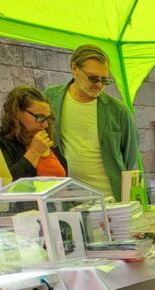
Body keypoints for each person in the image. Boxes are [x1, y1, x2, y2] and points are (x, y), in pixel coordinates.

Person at [44, 45, 139, 199]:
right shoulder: (51, 98)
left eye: (105, 80)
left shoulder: (118, 110)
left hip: (110, 198)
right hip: (68, 198)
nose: (99, 85)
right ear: (74, 68)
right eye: (93, 78)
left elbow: (130, 155)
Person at [0, 86, 67, 178]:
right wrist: (34, 152)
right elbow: (5, 182)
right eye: (39, 117)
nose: (45, 125)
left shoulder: (45, 137)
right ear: (16, 112)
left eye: (47, 118)